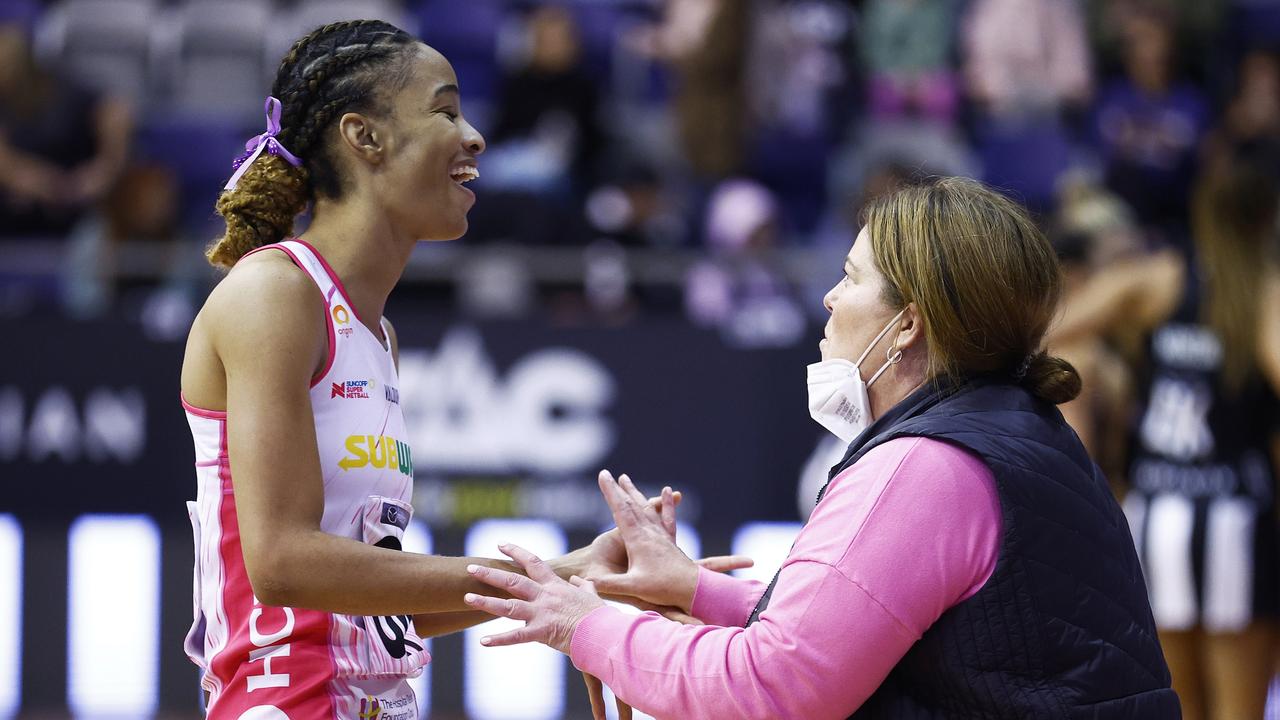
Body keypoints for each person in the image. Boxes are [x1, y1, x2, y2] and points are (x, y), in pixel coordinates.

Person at [460, 177, 1180, 719]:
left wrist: (586, 624)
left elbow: (775, 687)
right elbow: (876, 634)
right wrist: (691, 588)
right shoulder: (1012, 427)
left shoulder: (927, 466)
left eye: (851, 277)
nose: (831, 299)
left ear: (907, 326)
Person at [178, 19, 689, 719]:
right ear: (365, 137)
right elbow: (282, 564)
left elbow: (375, 616)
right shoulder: (274, 294)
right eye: (446, 110)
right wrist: (537, 578)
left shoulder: (375, 333)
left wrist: (575, 581)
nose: (474, 136)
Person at [1049, 155, 1280, 720]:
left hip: (1156, 513)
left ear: (1201, 215)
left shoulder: (1156, 282)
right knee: (1240, 710)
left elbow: (1050, 331)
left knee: (1177, 705)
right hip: (1237, 518)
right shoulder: (1267, 298)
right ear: (1267, 220)